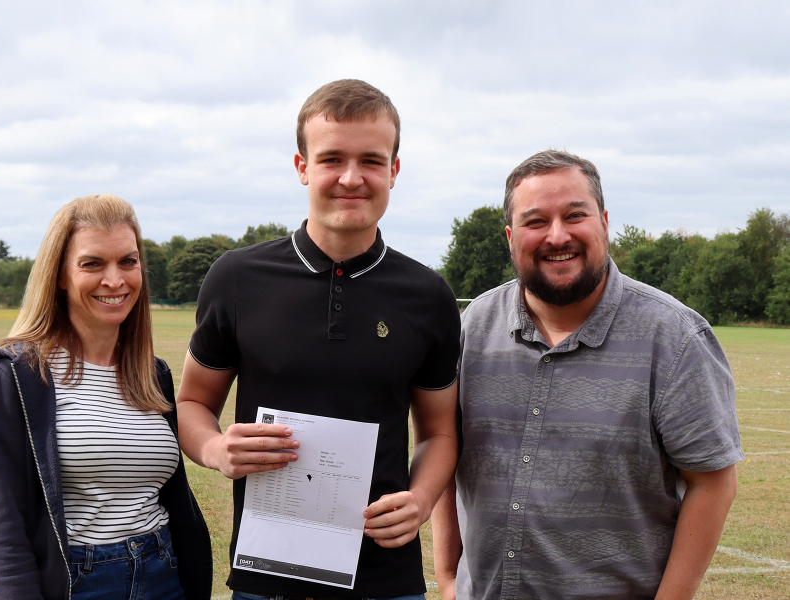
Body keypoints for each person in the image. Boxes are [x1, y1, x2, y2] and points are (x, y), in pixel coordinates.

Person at [175, 79, 462, 600]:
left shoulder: (429, 296)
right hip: (265, 580)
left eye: (371, 160)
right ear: (302, 166)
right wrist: (215, 448)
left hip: (386, 583)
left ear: (394, 171)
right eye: (332, 159)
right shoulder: (237, 278)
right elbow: (193, 403)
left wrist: (421, 500)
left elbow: (439, 432)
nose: (351, 178)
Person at [431, 150, 744, 600]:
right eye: (536, 221)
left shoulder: (675, 338)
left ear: (604, 223)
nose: (557, 235)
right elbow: (444, 450)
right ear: (511, 237)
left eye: (575, 215)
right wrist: (447, 578)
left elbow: (712, 484)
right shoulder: (472, 328)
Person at [0, 194, 212, 600]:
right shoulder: (17, 373)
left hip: (164, 575)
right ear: (60, 275)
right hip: (80, 583)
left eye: (128, 261)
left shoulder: (153, 374)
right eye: (92, 264)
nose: (115, 280)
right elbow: (3, 530)